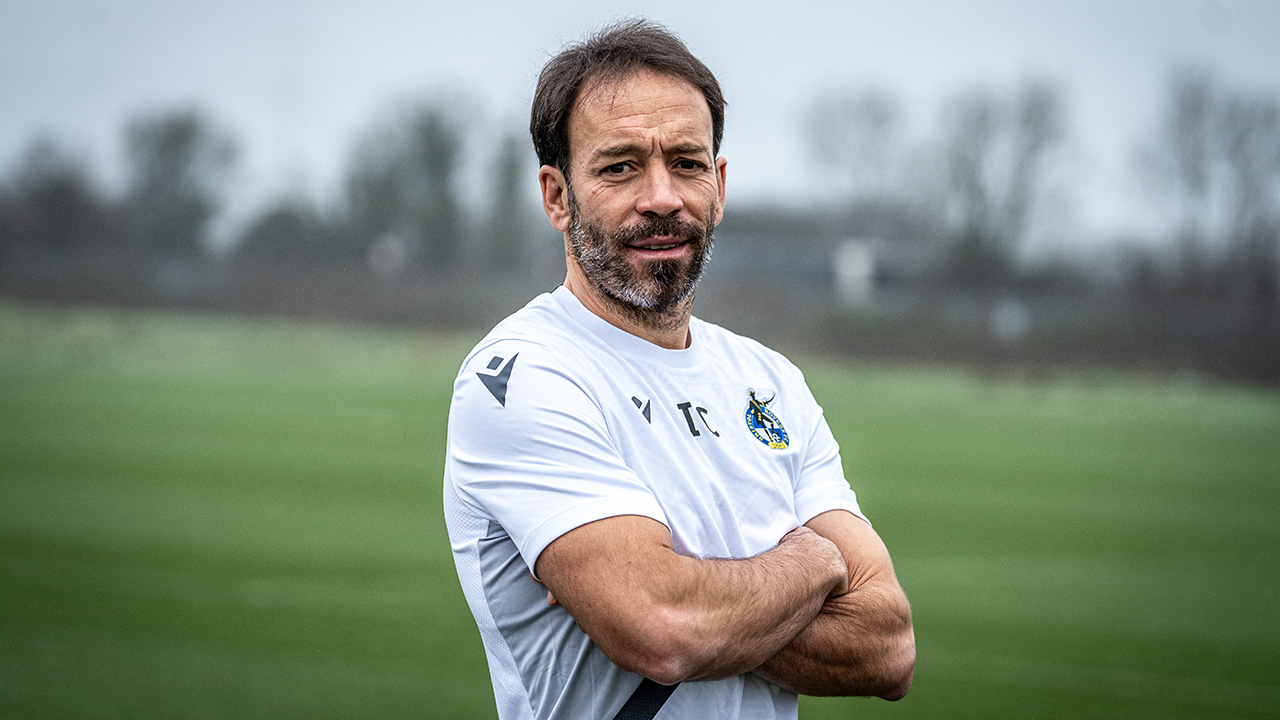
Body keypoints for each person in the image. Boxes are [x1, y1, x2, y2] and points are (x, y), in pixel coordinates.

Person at [443, 19, 914, 720]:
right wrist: (814, 565)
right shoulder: (520, 378)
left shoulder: (770, 382)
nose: (662, 197)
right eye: (620, 166)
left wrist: (683, 591)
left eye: (687, 163)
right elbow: (663, 632)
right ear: (556, 196)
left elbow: (887, 646)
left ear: (719, 187)